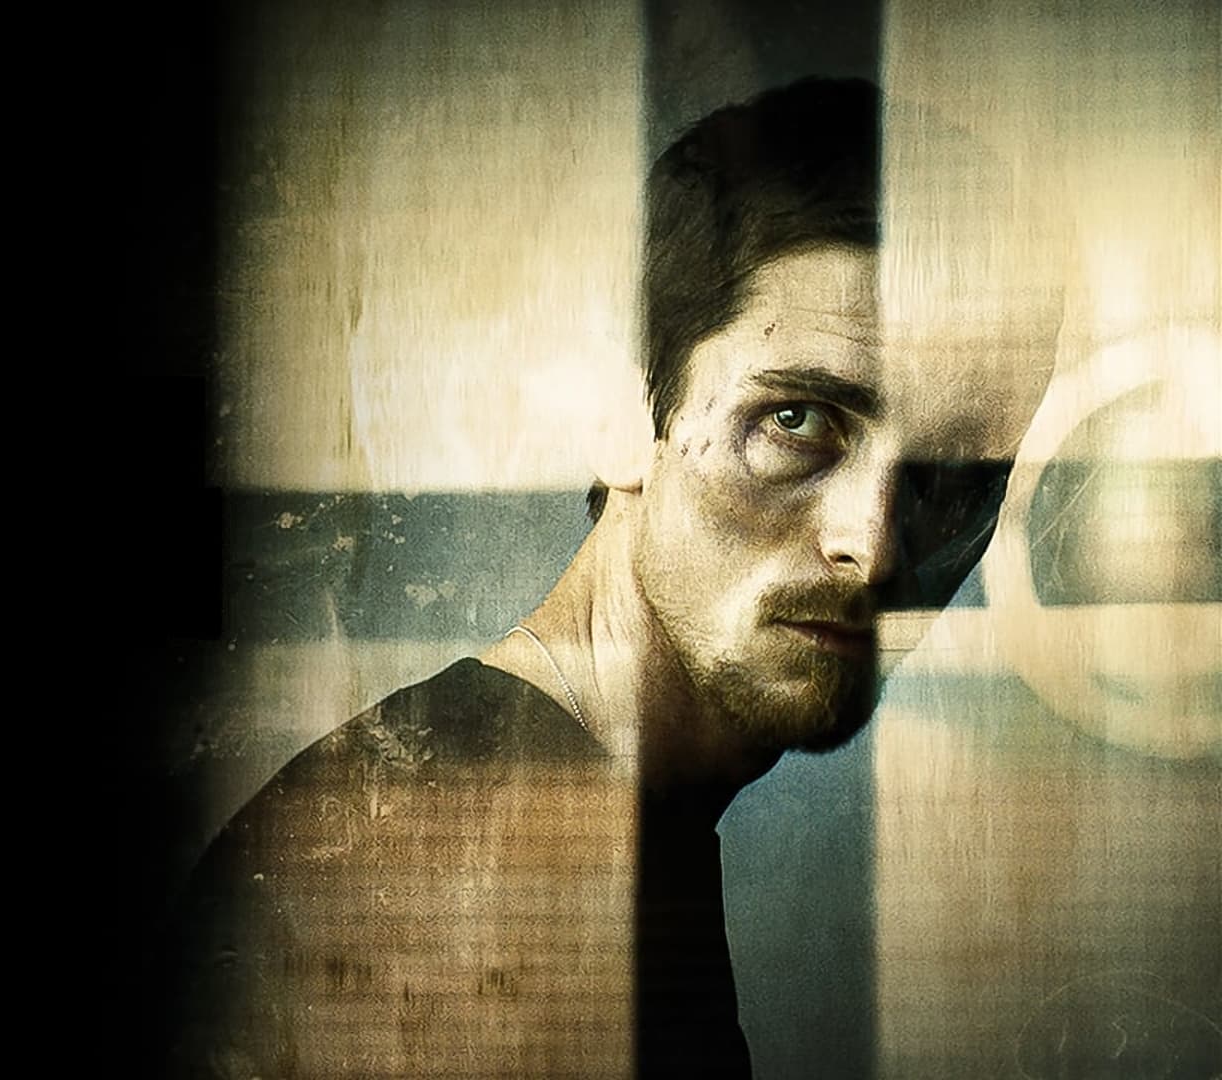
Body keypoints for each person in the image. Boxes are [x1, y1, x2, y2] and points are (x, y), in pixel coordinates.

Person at [161, 77, 1054, 1078]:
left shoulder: (580, 830)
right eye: (796, 421)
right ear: (621, 415)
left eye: (953, 476)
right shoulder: (468, 885)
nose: (875, 544)